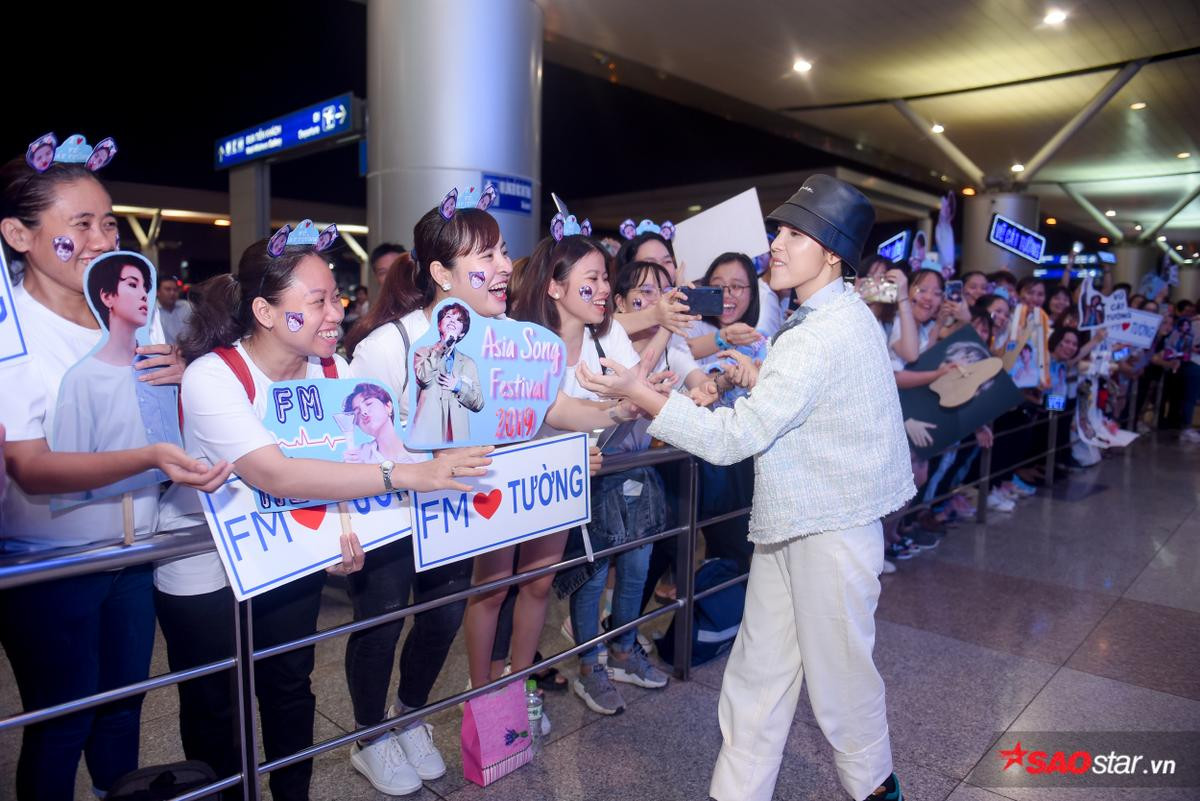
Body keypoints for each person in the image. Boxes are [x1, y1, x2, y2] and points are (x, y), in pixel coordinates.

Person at [578, 174, 912, 801]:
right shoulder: (833, 315)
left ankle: (878, 790)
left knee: (841, 689)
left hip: (829, 534)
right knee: (758, 676)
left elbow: (736, 440)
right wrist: (741, 371)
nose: (775, 246)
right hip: (800, 525)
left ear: (832, 253)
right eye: (778, 231)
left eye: (793, 234)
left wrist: (638, 392)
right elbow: (804, 394)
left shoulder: (822, 331)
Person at [157, 229, 492, 801]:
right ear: (264, 311)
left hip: (287, 555)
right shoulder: (213, 376)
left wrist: (346, 528)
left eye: (335, 296)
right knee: (216, 700)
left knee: (289, 686)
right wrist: (405, 475)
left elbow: (349, 456)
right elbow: (277, 473)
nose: (335, 311)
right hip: (203, 565)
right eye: (316, 301)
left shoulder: (333, 372)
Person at [339, 191, 611, 793]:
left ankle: (409, 716)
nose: (504, 266)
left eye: (504, 251)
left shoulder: (502, 339)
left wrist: (617, 407)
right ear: (441, 273)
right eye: (484, 255)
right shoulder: (388, 345)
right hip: (389, 517)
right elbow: (351, 439)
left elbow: (541, 407)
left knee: (438, 625)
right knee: (381, 625)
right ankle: (367, 735)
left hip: (457, 517)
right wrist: (356, 514)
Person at [0, 144, 226, 801]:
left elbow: (166, 422)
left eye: (109, 222)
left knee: (125, 706)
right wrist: (152, 458)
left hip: (135, 551)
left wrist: (189, 381)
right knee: (61, 720)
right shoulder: (11, 328)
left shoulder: (134, 305)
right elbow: (32, 467)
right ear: (19, 234)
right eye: (80, 226)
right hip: (47, 564)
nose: (103, 238)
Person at [510, 232, 671, 715]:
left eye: (606, 277)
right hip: (527, 484)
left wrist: (638, 400)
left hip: (581, 482)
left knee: (545, 584)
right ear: (555, 287)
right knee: (500, 589)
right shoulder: (526, 343)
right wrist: (622, 408)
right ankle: (503, 690)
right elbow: (546, 413)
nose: (604, 288)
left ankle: (521, 689)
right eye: (593, 279)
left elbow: (620, 396)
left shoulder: (607, 335)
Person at [410, 301, 484, 444]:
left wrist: (459, 386)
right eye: (448, 317)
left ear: (462, 331)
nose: (452, 321)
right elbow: (423, 378)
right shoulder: (423, 352)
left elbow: (479, 403)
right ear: (439, 324)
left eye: (458, 320)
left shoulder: (468, 363)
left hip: (457, 435)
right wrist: (442, 347)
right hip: (428, 433)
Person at [341, 382, 409, 464]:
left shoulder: (417, 447)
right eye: (357, 412)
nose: (363, 412)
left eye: (369, 404)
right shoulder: (358, 455)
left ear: (388, 406)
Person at [157, 273, 192, 346]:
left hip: (187, 352)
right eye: (168, 289)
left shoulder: (187, 307)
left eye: (175, 290)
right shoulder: (152, 312)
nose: (172, 293)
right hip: (163, 354)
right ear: (157, 292)